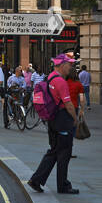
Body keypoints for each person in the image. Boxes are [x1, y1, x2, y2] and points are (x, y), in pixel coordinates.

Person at [28, 54, 80, 195]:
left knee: (55, 151)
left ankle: (37, 180)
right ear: (62, 65)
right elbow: (68, 104)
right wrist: (75, 118)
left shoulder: (50, 77)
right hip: (62, 119)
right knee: (64, 153)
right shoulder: (61, 82)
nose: (70, 67)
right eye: (69, 64)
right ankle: (62, 185)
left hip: (52, 119)